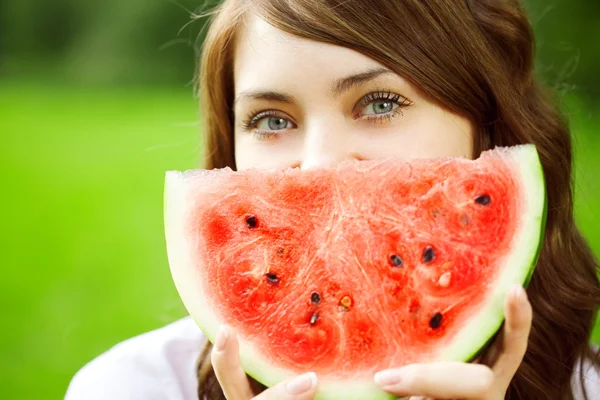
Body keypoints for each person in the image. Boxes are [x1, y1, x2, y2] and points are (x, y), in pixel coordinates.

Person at [65, 0, 600, 399]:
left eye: (380, 104)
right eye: (272, 120)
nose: (321, 163)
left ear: (487, 128)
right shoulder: (129, 387)